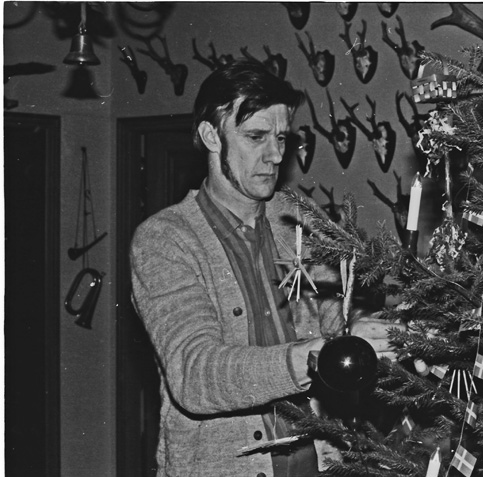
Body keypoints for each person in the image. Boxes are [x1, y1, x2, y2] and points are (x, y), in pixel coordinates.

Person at [130, 58, 399, 477]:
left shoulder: (298, 222)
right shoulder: (165, 239)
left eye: (281, 137)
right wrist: (318, 357)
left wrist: (381, 329)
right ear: (211, 136)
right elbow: (195, 374)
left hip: (319, 464)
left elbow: (337, 318)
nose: (275, 155)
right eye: (256, 136)